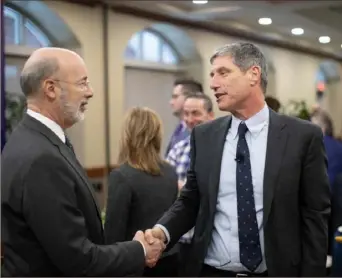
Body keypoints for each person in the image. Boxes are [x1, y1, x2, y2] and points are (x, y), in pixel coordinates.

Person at [144, 42, 331, 277]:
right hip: (212, 271)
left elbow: (315, 216)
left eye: (223, 72)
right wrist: (163, 231)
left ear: (253, 74)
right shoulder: (204, 136)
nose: (213, 83)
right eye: (212, 74)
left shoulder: (302, 137)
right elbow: (191, 200)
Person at [1, 47, 164, 277]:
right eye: (82, 83)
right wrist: (139, 250)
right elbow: (78, 260)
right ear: (51, 89)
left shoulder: (30, 138)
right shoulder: (42, 158)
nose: (90, 92)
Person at [104, 107, 179, 277]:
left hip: (135, 264)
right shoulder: (170, 171)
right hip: (170, 260)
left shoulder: (122, 175)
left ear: (128, 135)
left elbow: (113, 235)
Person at [166, 93, 214, 275]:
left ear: (210, 115)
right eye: (186, 114)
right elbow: (165, 186)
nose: (190, 119)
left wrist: (182, 186)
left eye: (196, 113)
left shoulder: (224, 149)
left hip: (210, 240)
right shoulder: (177, 150)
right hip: (182, 239)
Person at [165, 79, 203, 156]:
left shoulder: (201, 131)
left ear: (190, 97)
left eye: (175, 97)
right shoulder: (180, 128)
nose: (171, 102)